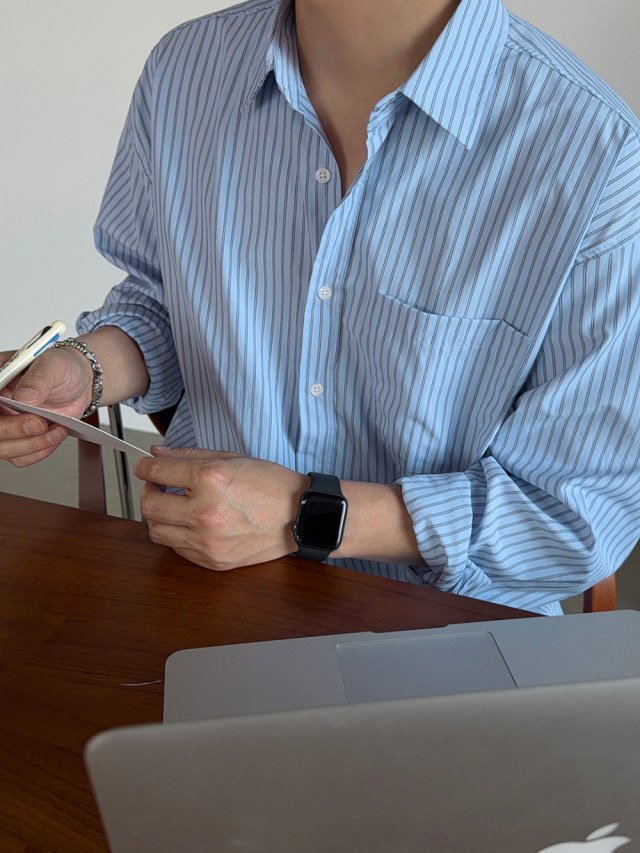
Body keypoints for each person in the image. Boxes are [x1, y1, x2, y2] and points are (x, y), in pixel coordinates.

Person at [1, 0, 639, 616]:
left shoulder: (596, 153)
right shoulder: (185, 70)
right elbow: (160, 305)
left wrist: (304, 513)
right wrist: (86, 366)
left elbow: (576, 517)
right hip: (196, 590)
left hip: (444, 633)